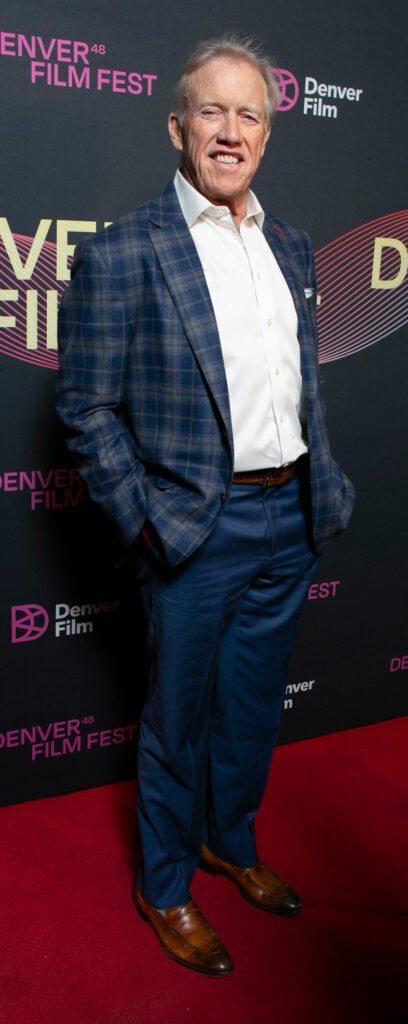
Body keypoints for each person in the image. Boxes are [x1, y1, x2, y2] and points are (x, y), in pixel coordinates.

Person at [56, 34, 355, 977]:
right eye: (212, 112)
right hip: (193, 529)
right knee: (177, 719)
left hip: (291, 518)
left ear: (267, 132)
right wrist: (147, 517)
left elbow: (297, 384)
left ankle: (232, 843)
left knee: (252, 709)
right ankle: (166, 885)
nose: (231, 131)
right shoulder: (124, 251)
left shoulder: (292, 246)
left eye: (249, 114)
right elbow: (85, 406)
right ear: (178, 127)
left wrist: (320, 485)